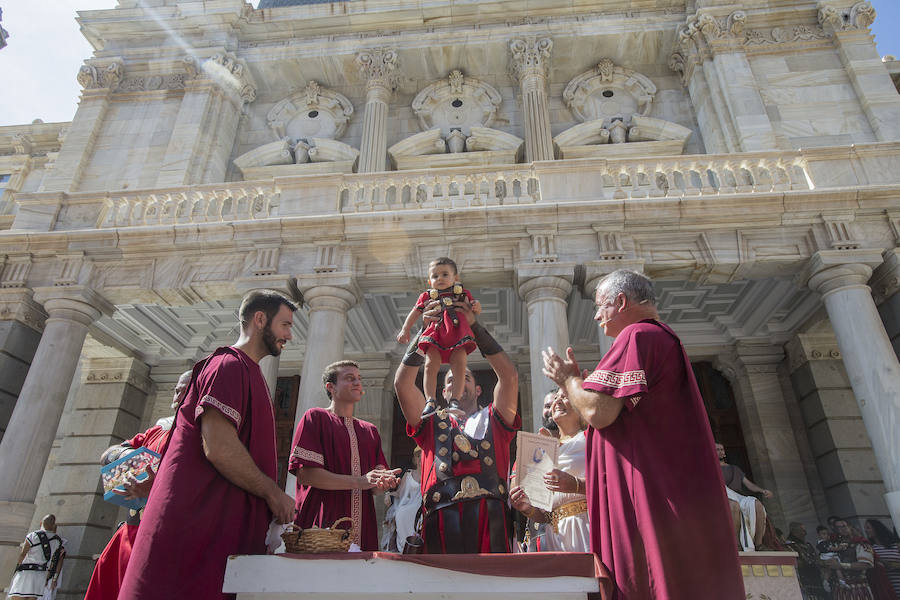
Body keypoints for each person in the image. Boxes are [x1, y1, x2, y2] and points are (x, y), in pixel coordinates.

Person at [542, 268, 744, 600]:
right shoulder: (659, 337)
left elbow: (598, 412)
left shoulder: (637, 336)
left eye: (599, 306)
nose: (595, 316)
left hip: (649, 497)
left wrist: (567, 380)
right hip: (663, 491)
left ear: (620, 301)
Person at [118, 289, 298, 600]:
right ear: (260, 320)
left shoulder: (249, 372)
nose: (289, 335)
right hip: (193, 537)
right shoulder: (227, 365)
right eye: (285, 325)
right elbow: (219, 446)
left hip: (216, 534)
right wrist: (272, 492)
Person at [394, 299, 520, 553]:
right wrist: (424, 332)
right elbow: (402, 385)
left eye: (464, 377)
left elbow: (509, 376)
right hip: (441, 518)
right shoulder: (431, 422)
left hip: (490, 519)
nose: (456, 382)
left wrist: (475, 328)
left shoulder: (495, 420)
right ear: (442, 391)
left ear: (478, 389)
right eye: (449, 380)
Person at [83, 370, 192, 600]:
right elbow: (109, 454)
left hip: (165, 538)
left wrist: (156, 489)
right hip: (129, 532)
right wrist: (131, 458)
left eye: (185, 389)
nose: (177, 394)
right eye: (176, 389)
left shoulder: (198, 437)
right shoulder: (157, 430)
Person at [289, 360, 399, 551]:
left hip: (363, 529)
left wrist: (382, 482)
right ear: (330, 387)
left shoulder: (370, 430)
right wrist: (361, 481)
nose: (357, 382)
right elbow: (306, 475)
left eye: (359, 378)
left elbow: (375, 488)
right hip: (321, 527)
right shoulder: (315, 418)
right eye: (349, 378)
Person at [509, 388, 590, 553]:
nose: (557, 401)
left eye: (565, 397)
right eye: (556, 398)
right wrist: (528, 508)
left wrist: (575, 485)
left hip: (586, 527)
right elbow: (544, 516)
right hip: (555, 537)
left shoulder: (592, 439)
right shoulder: (542, 452)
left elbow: (612, 483)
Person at [397, 257, 481, 410]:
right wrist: (405, 329)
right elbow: (415, 312)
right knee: (429, 365)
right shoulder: (427, 296)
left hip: (457, 333)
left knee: (459, 365)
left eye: (444, 274)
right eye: (435, 276)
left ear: (456, 278)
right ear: (429, 281)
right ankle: (430, 400)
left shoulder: (463, 293)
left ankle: (454, 400)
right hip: (435, 333)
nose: (440, 278)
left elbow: (474, 308)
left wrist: (476, 307)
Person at [716, 442, 773, 550]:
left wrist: (762, 490)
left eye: (721, 450)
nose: (720, 452)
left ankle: (758, 544)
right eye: (717, 450)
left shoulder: (734, 469)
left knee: (757, 504)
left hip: (737, 496)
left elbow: (749, 484)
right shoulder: (710, 467)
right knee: (734, 505)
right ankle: (737, 544)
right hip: (722, 498)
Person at [7, 514, 65, 600]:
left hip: (25, 574)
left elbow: (23, 554)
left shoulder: (32, 536)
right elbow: (56, 561)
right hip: (41, 575)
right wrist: (52, 578)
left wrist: (16, 569)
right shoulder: (57, 541)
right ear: (53, 526)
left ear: (41, 523)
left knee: (17, 597)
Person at [382, 447, 423, 553]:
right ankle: (404, 547)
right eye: (418, 456)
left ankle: (415, 545)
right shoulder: (408, 474)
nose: (420, 459)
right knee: (401, 513)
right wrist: (388, 494)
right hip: (407, 504)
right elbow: (399, 493)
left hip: (422, 506)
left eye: (422, 456)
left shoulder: (430, 475)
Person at [827, 518, 876, 600]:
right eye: (838, 527)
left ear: (850, 527)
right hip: (839, 590)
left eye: (844, 526)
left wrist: (840, 565)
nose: (842, 529)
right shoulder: (833, 546)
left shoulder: (860, 543)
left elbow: (865, 564)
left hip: (857, 588)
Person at [783, 522, 829, 600]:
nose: (805, 533)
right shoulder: (788, 546)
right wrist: (816, 563)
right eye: (802, 531)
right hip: (804, 583)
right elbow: (797, 564)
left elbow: (816, 558)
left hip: (817, 580)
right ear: (794, 531)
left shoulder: (807, 545)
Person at [865, 519, 900, 599]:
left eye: (868, 528)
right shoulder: (871, 548)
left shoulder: (896, 546)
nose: (866, 531)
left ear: (876, 528)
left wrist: (888, 564)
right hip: (887, 588)